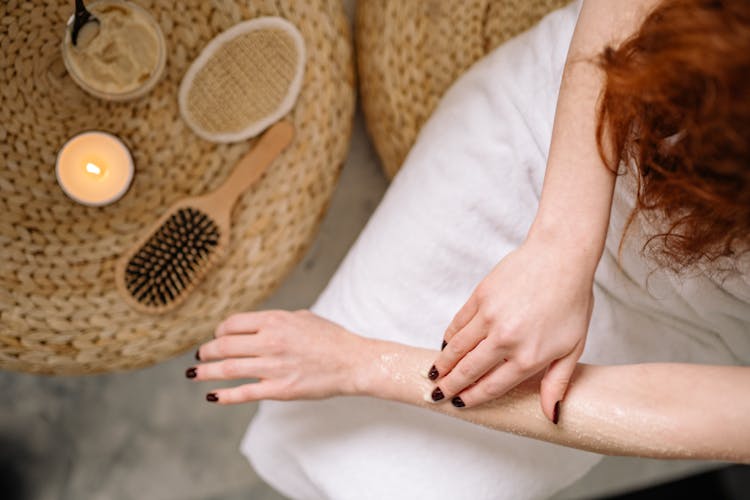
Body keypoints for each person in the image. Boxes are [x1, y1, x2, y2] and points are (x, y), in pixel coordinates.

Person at [188, 0, 750, 497]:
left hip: (690, 318)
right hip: (568, 139)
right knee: (318, 430)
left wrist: (361, 362)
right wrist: (560, 248)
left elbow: (677, 412)